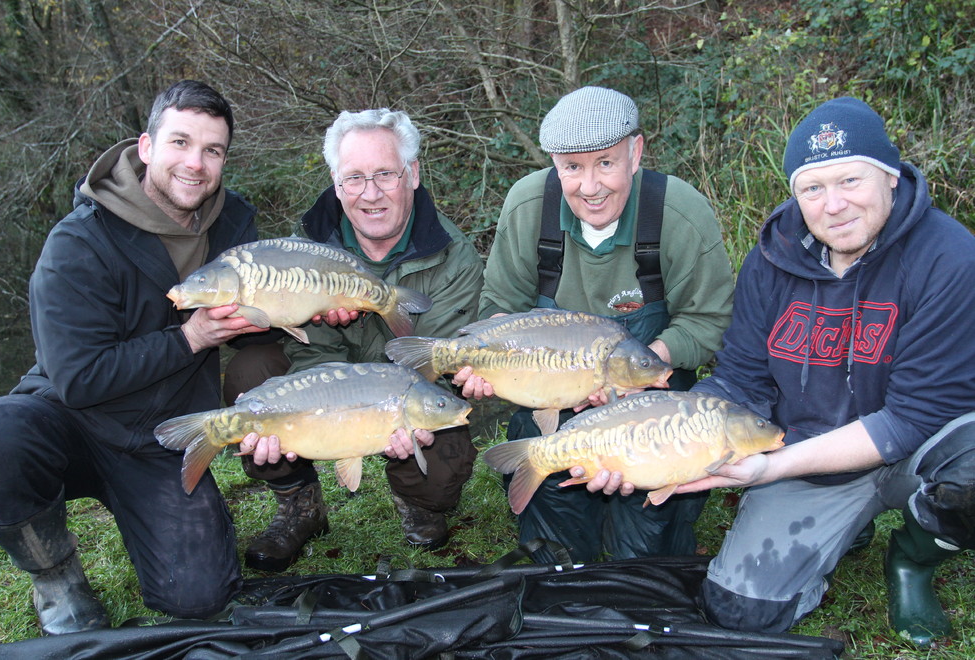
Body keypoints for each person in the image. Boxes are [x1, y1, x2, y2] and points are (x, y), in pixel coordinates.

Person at [582, 97, 975, 646]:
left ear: (890, 175)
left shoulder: (950, 258)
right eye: (812, 188)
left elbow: (912, 418)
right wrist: (648, 433)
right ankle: (846, 524)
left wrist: (771, 468)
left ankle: (913, 560)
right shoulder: (772, 257)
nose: (833, 204)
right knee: (742, 613)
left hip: (918, 449)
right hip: (808, 452)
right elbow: (741, 380)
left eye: (850, 180)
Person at [0, 80, 265, 635]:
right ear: (146, 147)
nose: (195, 163)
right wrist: (191, 337)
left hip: (160, 435)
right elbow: (78, 378)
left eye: (212, 150)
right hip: (70, 418)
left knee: (201, 597)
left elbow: (253, 335)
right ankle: (54, 575)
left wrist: (306, 311)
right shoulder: (78, 241)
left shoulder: (234, 224)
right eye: (180, 142)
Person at [455, 86, 735, 564]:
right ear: (554, 164)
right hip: (551, 394)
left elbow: (708, 319)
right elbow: (501, 307)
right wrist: (489, 361)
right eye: (572, 167)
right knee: (560, 555)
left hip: (651, 392)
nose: (590, 186)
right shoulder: (529, 206)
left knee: (644, 556)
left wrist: (642, 371)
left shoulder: (679, 212)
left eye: (605, 163)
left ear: (635, 152)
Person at [223, 108, 484, 572]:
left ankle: (418, 503)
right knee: (251, 372)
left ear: (413, 174)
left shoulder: (453, 254)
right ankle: (299, 504)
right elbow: (310, 352)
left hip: (405, 386)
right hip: (330, 381)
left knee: (441, 436)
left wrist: (389, 410)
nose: (370, 193)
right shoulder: (308, 246)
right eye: (355, 178)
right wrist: (308, 413)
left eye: (385, 174)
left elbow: (436, 364)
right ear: (336, 182)